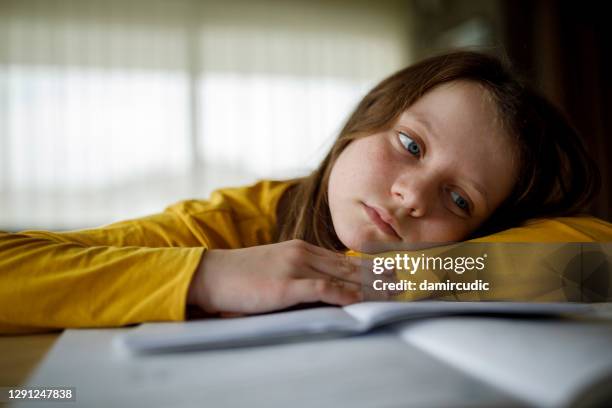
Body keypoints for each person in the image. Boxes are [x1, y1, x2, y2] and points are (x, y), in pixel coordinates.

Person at [0, 50, 607, 334]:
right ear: (366, 119)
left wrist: (378, 278)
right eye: (411, 145)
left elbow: (596, 263)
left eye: (460, 200)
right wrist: (209, 275)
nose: (412, 195)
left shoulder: (471, 258)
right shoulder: (235, 221)